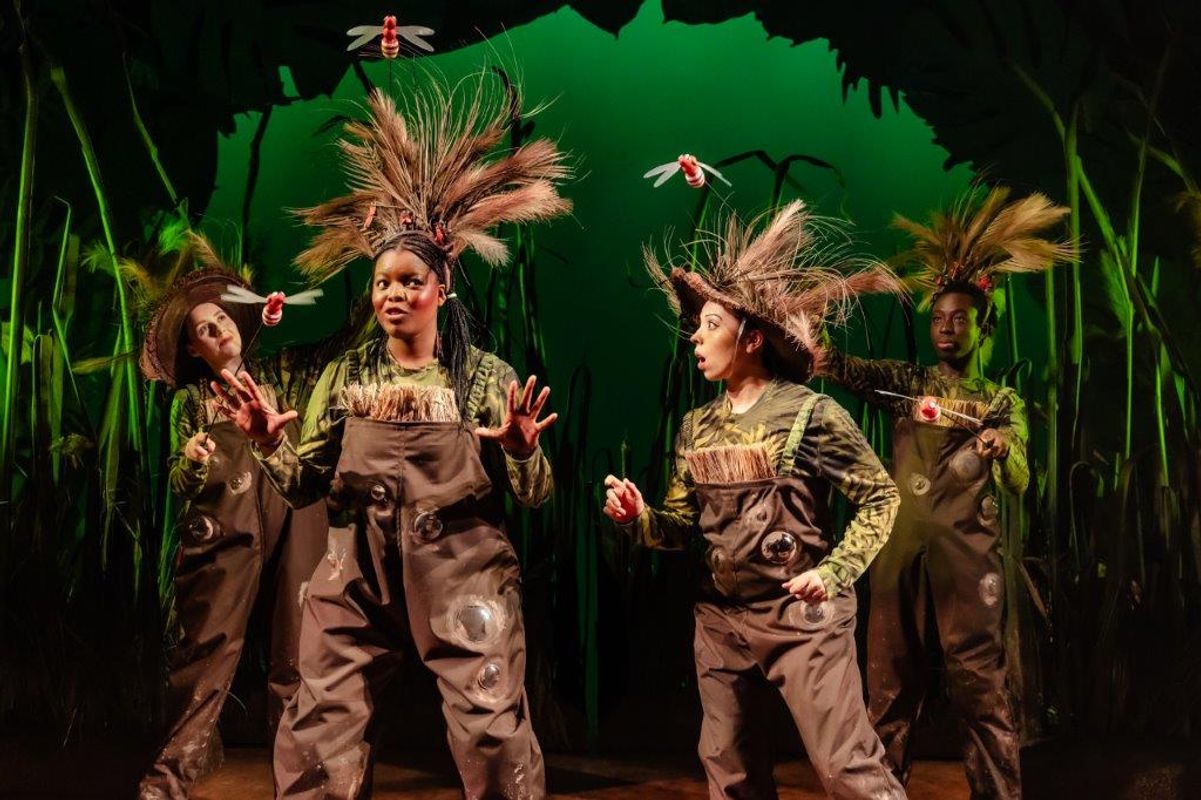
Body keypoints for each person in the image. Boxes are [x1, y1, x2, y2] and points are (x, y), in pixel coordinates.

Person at [215, 78, 571, 799]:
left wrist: (523, 453)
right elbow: (304, 484)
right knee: (321, 724)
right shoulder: (346, 374)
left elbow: (536, 500)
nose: (393, 294)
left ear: (442, 290)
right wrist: (264, 441)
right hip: (357, 573)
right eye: (381, 283)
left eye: (410, 281)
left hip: (462, 571)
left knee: (490, 729)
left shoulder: (482, 377)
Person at [603, 202, 907, 800]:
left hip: (801, 618)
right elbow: (681, 528)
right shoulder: (697, 426)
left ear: (752, 338)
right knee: (729, 769)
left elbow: (880, 498)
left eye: (710, 323)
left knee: (845, 766)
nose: (695, 334)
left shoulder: (811, 413)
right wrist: (641, 518)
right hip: (720, 619)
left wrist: (834, 571)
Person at [818, 186, 1074, 799]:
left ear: (984, 327)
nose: (946, 328)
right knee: (888, 689)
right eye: (937, 318)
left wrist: (1001, 447)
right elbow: (846, 369)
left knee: (980, 690)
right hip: (898, 557)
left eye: (960, 319)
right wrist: (817, 351)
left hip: (967, 565)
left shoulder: (1001, 402)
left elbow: (1019, 481)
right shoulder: (908, 381)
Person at [137, 235, 329, 800]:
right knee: (208, 650)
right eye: (205, 327)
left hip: (296, 518)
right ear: (194, 348)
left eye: (223, 316)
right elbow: (177, 482)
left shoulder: (286, 377)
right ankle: (168, 779)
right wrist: (193, 461)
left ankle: (302, 784)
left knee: (299, 649)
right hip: (227, 528)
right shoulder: (191, 404)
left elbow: (346, 341)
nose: (219, 328)